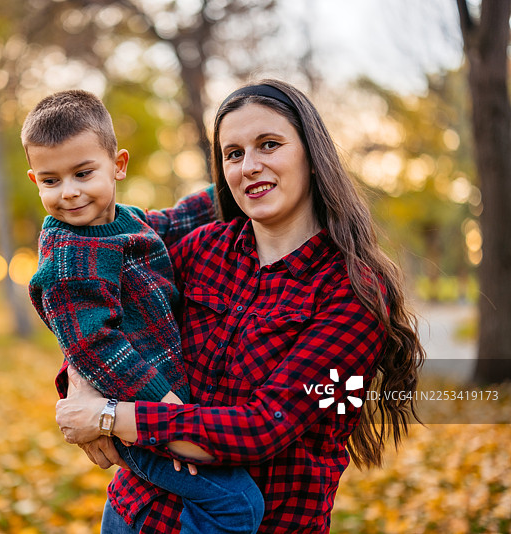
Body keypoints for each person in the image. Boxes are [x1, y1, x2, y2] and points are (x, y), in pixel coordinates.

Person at [55, 79, 425, 533]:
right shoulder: (201, 249)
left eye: (269, 144)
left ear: (312, 155)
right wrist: (79, 385)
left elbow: (262, 428)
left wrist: (108, 417)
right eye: (233, 153)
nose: (249, 166)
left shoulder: (353, 291)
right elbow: (111, 313)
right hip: (135, 514)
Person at [23, 90, 265, 533]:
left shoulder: (124, 223)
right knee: (238, 504)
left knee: (220, 500)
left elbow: (173, 222)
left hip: (158, 412)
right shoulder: (69, 257)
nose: (69, 192)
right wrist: (167, 412)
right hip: (138, 417)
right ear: (34, 180)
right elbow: (94, 344)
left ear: (118, 165)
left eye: (83, 173)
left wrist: (232, 183)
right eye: (51, 180)